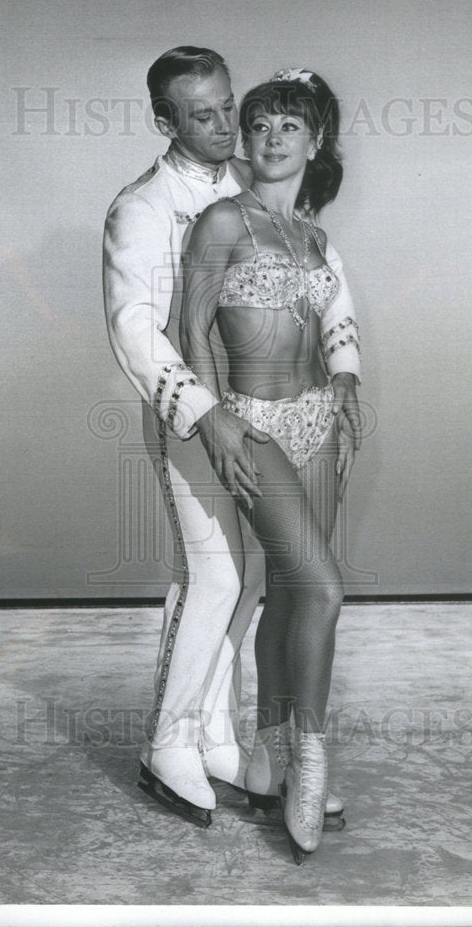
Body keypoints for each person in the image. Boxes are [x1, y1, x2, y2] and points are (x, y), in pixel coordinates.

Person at [103, 48, 362, 830]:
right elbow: (136, 328)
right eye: (205, 115)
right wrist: (204, 410)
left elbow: (326, 285)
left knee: (256, 584)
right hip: (190, 414)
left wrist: (344, 372)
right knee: (215, 576)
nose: (226, 127)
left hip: (261, 411)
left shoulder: (252, 190)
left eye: (228, 110)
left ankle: (223, 735)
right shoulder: (143, 207)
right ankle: (169, 741)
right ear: (166, 121)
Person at [178, 68, 360, 862]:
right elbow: (189, 334)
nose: (272, 137)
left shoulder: (315, 236)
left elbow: (332, 323)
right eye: (258, 126)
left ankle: (267, 757)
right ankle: (312, 762)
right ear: (245, 142)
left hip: (320, 422)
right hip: (251, 425)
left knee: (290, 595)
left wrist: (347, 382)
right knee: (323, 587)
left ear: (314, 141)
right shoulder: (222, 221)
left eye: (289, 125)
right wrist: (211, 418)